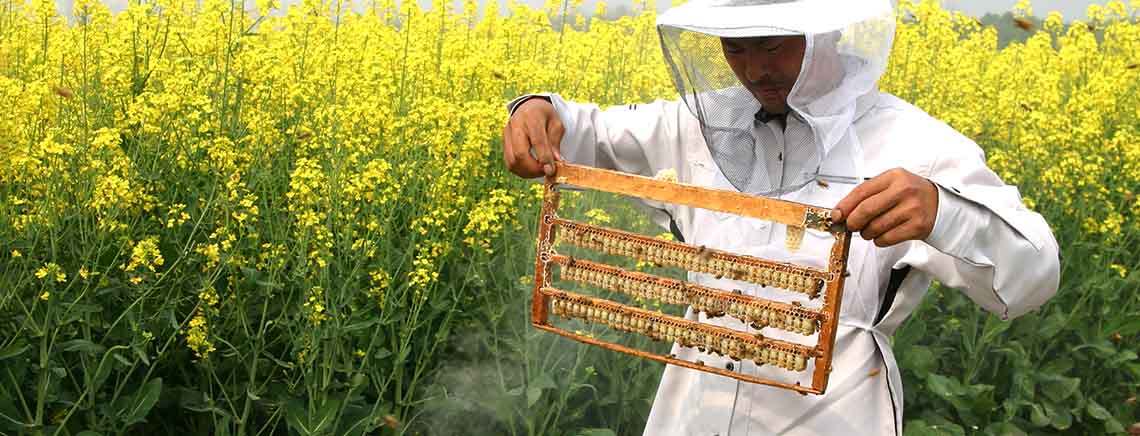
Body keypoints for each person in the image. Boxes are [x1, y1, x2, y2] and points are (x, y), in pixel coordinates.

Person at [500, 0, 1060, 434]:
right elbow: (586, 129)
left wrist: (946, 212)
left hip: (830, 412)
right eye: (735, 49)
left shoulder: (914, 143)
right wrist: (533, 108)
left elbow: (1033, 275)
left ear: (826, 33)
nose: (754, 70)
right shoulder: (697, 127)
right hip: (695, 405)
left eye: (772, 46)